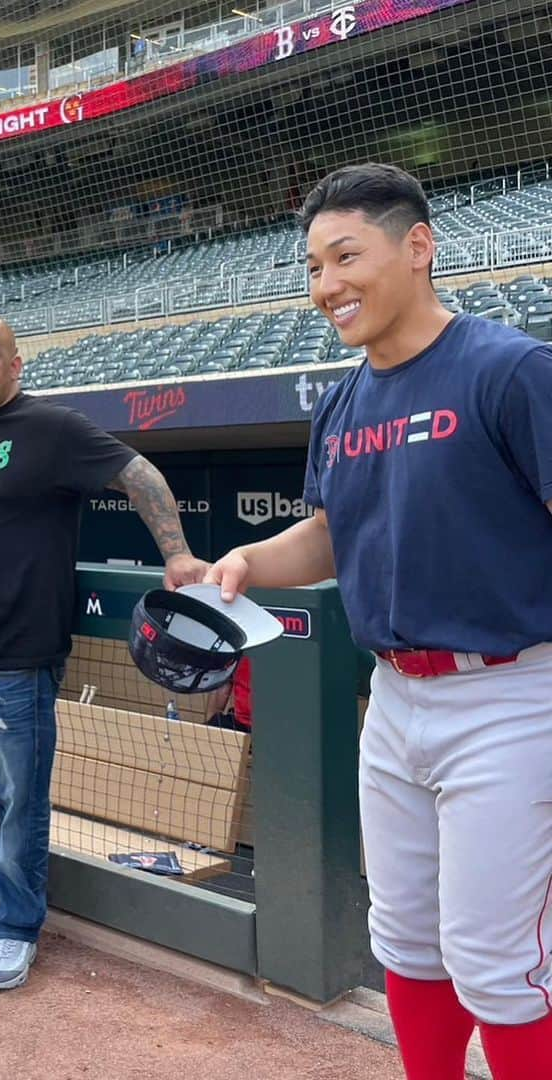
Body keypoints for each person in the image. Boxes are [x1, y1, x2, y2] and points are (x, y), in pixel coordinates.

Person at [205, 163, 552, 1080]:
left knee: (498, 961)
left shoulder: (511, 369)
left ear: (419, 246)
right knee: (402, 937)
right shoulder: (344, 403)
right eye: (314, 268)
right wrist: (248, 560)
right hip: (394, 696)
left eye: (346, 256)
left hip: (511, 692)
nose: (327, 286)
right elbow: (326, 535)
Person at [0, 312, 209, 990]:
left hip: (15, 658)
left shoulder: (51, 429)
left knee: (18, 804)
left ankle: (14, 924)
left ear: (15, 365)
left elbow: (138, 472)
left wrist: (175, 552)